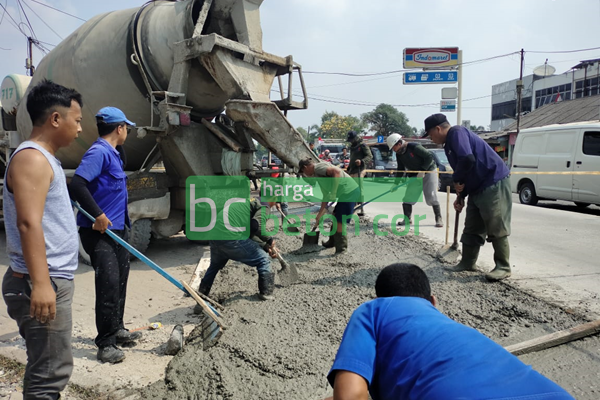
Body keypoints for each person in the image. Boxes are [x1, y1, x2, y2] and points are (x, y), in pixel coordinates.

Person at [326, 263, 575, 400]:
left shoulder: (374, 310)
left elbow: (350, 396)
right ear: (433, 302)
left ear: (378, 297)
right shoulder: (457, 329)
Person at [2, 79, 82, 399]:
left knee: (51, 367)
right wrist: (42, 283)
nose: (79, 129)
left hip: (47, 277)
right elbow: (28, 223)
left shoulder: (44, 158)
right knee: (49, 374)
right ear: (55, 119)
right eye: (76, 121)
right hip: (38, 281)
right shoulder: (33, 159)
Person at [69, 107, 141, 364]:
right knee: (109, 284)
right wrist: (98, 215)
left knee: (120, 279)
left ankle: (117, 327)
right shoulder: (98, 152)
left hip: (119, 230)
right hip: (99, 233)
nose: (128, 133)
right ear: (119, 128)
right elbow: (77, 184)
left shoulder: (112, 153)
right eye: (127, 128)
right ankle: (105, 344)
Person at [424, 113, 512, 281]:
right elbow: (465, 171)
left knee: (496, 224)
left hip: (493, 181)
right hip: (477, 187)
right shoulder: (448, 145)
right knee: (472, 226)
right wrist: (461, 196)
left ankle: (503, 266)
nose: (430, 138)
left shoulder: (457, 133)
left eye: (430, 133)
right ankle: (467, 262)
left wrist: (456, 178)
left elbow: (467, 158)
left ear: (438, 128)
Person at [194, 196, 278, 307]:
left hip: (215, 236)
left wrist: (265, 246)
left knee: (214, 266)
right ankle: (266, 293)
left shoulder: (249, 201)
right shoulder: (264, 206)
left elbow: (249, 232)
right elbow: (256, 226)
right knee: (263, 259)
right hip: (230, 237)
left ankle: (200, 300)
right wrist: (269, 239)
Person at [298, 158, 359, 254]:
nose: (305, 174)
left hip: (349, 192)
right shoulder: (318, 176)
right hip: (345, 193)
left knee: (340, 221)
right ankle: (332, 242)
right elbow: (325, 198)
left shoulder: (317, 168)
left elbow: (337, 172)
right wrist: (320, 215)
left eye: (303, 171)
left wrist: (334, 193)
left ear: (305, 167)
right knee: (335, 217)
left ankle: (342, 249)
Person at [386, 133, 443, 228]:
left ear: (398, 144)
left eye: (393, 147)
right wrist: (395, 183)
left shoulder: (414, 147)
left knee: (431, 195)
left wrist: (423, 170)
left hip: (429, 171)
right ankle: (407, 219)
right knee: (408, 197)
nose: (393, 150)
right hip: (414, 175)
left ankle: (438, 218)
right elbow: (400, 169)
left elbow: (429, 157)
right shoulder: (399, 154)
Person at [346, 130, 372, 216]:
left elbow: (369, 156)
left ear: (356, 138)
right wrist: (349, 167)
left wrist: (362, 161)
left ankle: (361, 208)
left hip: (360, 170)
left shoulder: (362, 145)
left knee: (359, 189)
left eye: (352, 139)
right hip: (352, 170)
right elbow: (352, 158)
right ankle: (352, 206)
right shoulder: (352, 147)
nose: (351, 141)